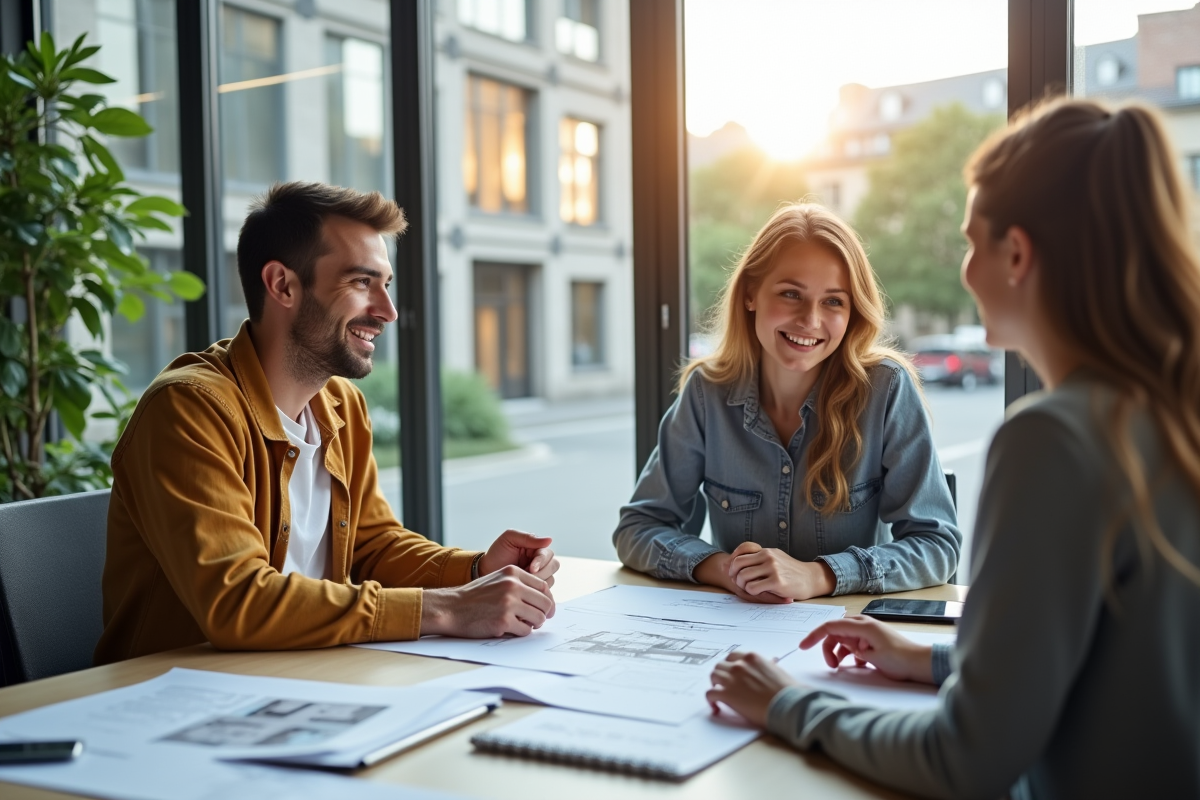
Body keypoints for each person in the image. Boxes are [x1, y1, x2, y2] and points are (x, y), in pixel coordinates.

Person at [706, 99, 1200, 799]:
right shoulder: (1169, 411)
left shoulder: (1052, 439)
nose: (965, 270)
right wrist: (935, 661)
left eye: (972, 243)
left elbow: (965, 760)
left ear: (1018, 255)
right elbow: (1117, 671)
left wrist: (786, 703)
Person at [95, 182, 559, 665]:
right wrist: (447, 609)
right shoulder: (189, 408)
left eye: (386, 284)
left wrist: (477, 571)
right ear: (283, 285)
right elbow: (237, 601)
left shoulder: (341, 405)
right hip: (174, 702)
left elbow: (373, 547)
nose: (388, 311)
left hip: (302, 677)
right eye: (361, 283)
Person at [613, 204, 961, 601]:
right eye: (791, 294)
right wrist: (726, 570)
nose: (810, 320)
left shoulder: (885, 389)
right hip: (737, 635)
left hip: (844, 641)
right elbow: (637, 528)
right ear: (750, 295)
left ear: (852, 312)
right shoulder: (705, 393)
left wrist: (818, 576)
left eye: (833, 301)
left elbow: (936, 546)